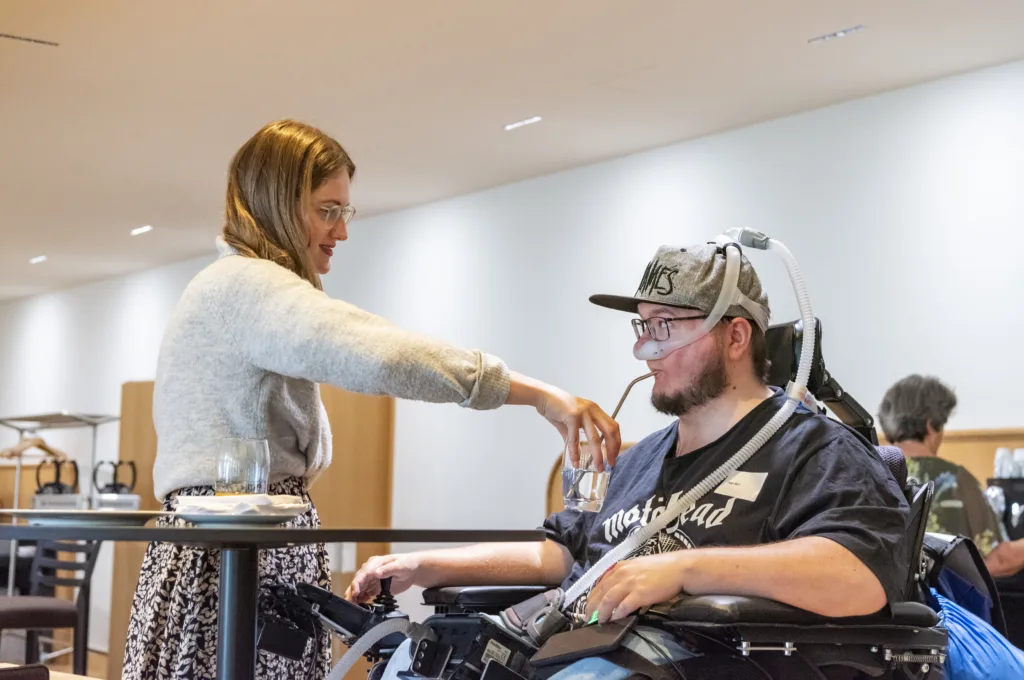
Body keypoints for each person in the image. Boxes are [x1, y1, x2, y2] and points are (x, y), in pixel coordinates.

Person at [122, 119, 621, 680]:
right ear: (279, 204)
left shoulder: (228, 287)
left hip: (235, 546)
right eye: (326, 209)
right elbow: (381, 355)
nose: (341, 230)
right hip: (233, 554)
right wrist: (537, 395)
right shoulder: (246, 286)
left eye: (345, 212)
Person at [347, 243, 911, 676]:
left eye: (665, 326)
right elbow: (563, 557)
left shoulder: (814, 450)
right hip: (590, 650)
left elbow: (860, 576)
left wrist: (683, 570)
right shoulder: (642, 461)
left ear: (736, 337)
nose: (645, 349)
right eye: (643, 326)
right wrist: (427, 566)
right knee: (415, 662)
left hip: (708, 664)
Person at [879, 375, 1024, 579]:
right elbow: (996, 561)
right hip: (938, 608)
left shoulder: (869, 469)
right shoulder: (955, 480)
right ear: (931, 425)